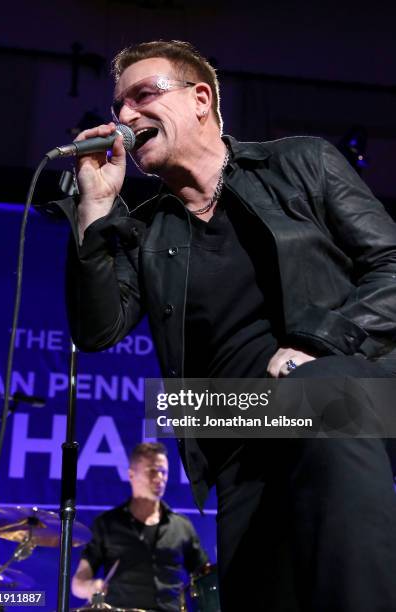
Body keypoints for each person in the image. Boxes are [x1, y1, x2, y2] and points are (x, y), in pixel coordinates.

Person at [58, 40, 396, 611]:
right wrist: (94, 210)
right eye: (119, 105)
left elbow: (390, 263)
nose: (123, 117)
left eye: (143, 96)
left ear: (200, 99)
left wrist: (315, 346)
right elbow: (97, 330)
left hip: (342, 389)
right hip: (240, 434)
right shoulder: (143, 230)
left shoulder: (300, 164)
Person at [71, 442, 207, 610]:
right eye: (152, 471)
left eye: (163, 472)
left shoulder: (182, 526)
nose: (159, 478)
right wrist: (91, 587)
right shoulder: (107, 524)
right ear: (131, 474)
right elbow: (78, 583)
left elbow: (205, 575)